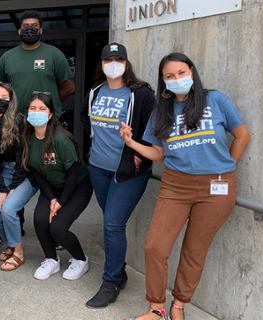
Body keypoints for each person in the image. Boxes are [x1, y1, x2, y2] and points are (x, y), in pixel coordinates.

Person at [121, 53, 250, 320]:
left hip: (217, 187)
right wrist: (132, 143)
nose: (177, 79)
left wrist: (227, 167)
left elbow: (242, 134)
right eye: (169, 76)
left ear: (191, 71)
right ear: (163, 81)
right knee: (155, 246)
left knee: (194, 249)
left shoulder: (215, 100)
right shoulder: (162, 111)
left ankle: (179, 304)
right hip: (176, 186)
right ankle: (156, 306)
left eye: (181, 73)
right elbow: (158, 153)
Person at [83, 43, 155, 308]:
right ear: (101, 64)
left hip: (128, 171)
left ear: (126, 62)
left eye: (118, 58)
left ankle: (111, 281)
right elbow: (86, 120)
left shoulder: (141, 93)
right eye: (108, 59)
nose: (113, 63)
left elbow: (154, 126)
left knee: (113, 225)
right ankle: (120, 271)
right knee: (111, 222)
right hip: (98, 168)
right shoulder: (95, 91)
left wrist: (139, 151)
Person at [22, 92, 93, 281]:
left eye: (42, 109)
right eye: (33, 108)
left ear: (51, 114)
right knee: (39, 219)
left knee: (58, 228)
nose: (37, 112)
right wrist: (52, 198)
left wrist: (60, 203)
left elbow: (72, 173)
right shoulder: (27, 137)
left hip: (76, 186)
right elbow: (36, 172)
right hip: (52, 187)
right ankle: (51, 259)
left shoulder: (61, 139)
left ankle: (80, 259)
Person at [0, 82, 37, 271]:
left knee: (8, 209)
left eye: (5, 98)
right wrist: (1, 188)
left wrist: (10, 189)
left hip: (24, 173)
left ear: (11, 101)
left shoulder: (19, 121)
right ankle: (12, 244)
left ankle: (18, 251)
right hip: (2, 173)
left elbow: (23, 159)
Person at [0, 10, 75, 118]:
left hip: (47, 119)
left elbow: (69, 87)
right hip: (16, 119)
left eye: (34, 25)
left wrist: (51, 102)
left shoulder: (54, 54)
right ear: (19, 31)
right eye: (26, 26)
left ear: (40, 31)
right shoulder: (7, 57)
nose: (29, 29)